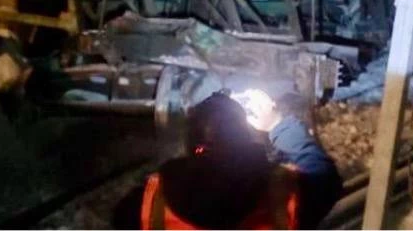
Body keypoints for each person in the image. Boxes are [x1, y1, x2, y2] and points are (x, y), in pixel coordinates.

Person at [116, 90, 343, 229]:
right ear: (246, 140)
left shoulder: (145, 205)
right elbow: (323, 174)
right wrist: (277, 124)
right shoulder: (283, 194)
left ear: (190, 144)